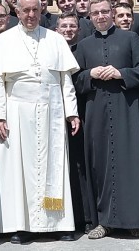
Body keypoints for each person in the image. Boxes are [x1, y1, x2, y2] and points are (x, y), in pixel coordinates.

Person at [0, 0, 80, 244]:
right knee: (18, 170)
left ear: (41, 10)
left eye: (35, 10)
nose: (30, 15)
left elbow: (65, 81)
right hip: (16, 112)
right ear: (16, 12)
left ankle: (57, 223)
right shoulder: (3, 41)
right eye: (25, 10)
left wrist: (72, 112)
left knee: (54, 166)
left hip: (53, 111)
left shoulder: (56, 39)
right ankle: (19, 224)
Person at [73, 0, 139, 239]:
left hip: (127, 110)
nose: (100, 17)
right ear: (90, 16)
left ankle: (134, 221)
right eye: (95, 13)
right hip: (96, 113)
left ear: (112, 13)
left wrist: (121, 73)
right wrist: (90, 73)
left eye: (105, 12)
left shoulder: (130, 38)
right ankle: (103, 222)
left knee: (130, 165)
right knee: (100, 167)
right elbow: (74, 81)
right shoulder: (84, 45)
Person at [54, 12, 92, 234]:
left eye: (72, 26)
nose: (68, 30)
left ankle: (84, 217)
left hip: (80, 116)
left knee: (80, 166)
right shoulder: (51, 51)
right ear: (56, 29)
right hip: (54, 117)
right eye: (64, 26)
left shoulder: (84, 50)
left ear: (78, 29)